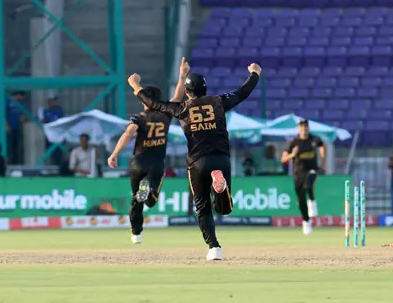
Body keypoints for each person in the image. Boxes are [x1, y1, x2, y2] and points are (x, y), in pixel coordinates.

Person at [132, 62, 261, 261]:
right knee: (224, 209)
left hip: (197, 162)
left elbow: (154, 104)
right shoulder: (218, 101)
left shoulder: (182, 108)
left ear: (187, 91)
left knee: (202, 207)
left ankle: (214, 248)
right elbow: (242, 93)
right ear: (205, 89)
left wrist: (136, 86)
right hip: (221, 158)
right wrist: (254, 74)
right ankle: (219, 188)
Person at [107, 57, 190, 244]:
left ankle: (136, 234)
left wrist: (115, 153)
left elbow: (128, 134)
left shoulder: (139, 117)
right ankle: (150, 191)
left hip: (138, 162)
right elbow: (177, 97)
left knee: (136, 200)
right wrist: (182, 75)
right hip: (156, 164)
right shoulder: (166, 114)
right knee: (150, 200)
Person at [281, 119, 326, 235]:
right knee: (301, 199)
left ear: (308, 128)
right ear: (298, 128)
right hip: (298, 173)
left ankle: (312, 201)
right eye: (302, 127)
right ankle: (306, 221)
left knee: (309, 182)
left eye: (306, 127)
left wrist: (323, 161)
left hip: (312, 169)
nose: (304, 129)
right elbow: (283, 159)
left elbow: (321, 146)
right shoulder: (294, 142)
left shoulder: (314, 139)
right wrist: (292, 155)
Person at [39, 95, 65, 166]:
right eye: (53, 101)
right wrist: (41, 115)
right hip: (49, 136)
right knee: (49, 153)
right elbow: (42, 121)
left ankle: (58, 167)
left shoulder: (59, 110)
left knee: (58, 154)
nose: (55, 102)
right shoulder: (46, 111)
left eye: (55, 100)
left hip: (58, 136)